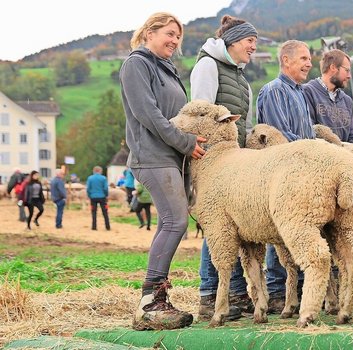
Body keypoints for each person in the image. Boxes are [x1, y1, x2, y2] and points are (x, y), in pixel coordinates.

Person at [120, 12, 206, 331]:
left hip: (171, 156)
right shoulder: (136, 64)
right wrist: (185, 142)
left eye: (178, 36)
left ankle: (155, 300)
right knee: (176, 221)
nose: (174, 40)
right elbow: (150, 115)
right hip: (151, 156)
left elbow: (177, 114)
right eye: (169, 33)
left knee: (170, 223)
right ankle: (149, 303)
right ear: (149, 33)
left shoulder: (166, 68)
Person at [190, 14, 257, 321]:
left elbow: (245, 121)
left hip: (235, 160)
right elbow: (201, 111)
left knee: (235, 227)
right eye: (249, 41)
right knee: (217, 227)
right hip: (214, 159)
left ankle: (236, 292)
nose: (253, 47)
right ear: (233, 41)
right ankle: (208, 295)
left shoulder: (240, 78)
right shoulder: (208, 65)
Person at [257, 39, 314, 313]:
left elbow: (308, 134)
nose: (309, 63)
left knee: (299, 231)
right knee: (278, 232)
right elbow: (280, 135)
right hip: (283, 173)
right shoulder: (273, 91)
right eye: (303, 58)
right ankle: (278, 292)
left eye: (310, 58)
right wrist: (312, 152)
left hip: (304, 172)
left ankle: (300, 288)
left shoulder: (300, 93)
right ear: (286, 61)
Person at [302, 48, 353, 143]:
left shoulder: (347, 101)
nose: (349, 76)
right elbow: (309, 133)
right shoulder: (307, 92)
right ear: (333, 68)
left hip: (345, 156)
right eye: (347, 70)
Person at [86, 166, 110, 231]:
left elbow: (88, 188)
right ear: (100, 171)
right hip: (102, 197)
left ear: (94, 171)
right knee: (105, 212)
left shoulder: (90, 178)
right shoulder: (103, 178)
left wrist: (89, 195)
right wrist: (106, 195)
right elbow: (105, 188)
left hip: (93, 197)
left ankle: (94, 227)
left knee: (93, 212)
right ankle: (107, 227)